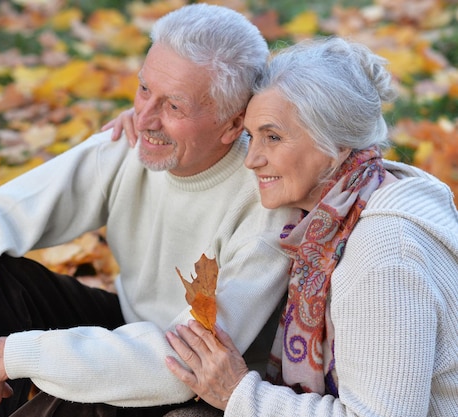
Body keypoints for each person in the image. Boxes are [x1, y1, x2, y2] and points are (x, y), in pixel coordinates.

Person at [0, 4, 294, 417]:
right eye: (143, 90)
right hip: (127, 325)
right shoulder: (131, 144)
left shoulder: (266, 203)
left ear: (233, 124)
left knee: (76, 394)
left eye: (174, 107)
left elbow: (184, 363)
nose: (145, 117)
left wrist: (10, 354)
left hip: (195, 383)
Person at [160, 37, 458, 416]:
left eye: (273, 137)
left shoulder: (384, 254)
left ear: (333, 143)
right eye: (252, 137)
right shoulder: (340, 209)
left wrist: (238, 392)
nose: (251, 159)